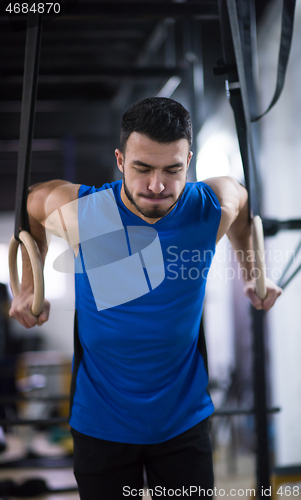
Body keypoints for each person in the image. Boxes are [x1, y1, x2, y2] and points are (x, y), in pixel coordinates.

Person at [9, 97, 282, 499]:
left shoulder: (207, 211)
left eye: (172, 170)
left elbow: (241, 208)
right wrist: (30, 287)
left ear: (188, 161)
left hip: (182, 424)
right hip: (101, 425)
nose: (157, 185)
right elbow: (31, 206)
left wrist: (253, 274)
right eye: (142, 168)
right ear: (120, 161)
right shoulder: (83, 213)